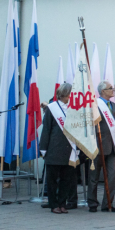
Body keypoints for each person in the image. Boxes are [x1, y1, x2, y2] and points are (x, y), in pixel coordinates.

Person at [41, 82, 78, 214]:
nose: (71, 96)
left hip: (70, 148)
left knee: (66, 179)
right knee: (52, 180)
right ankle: (53, 204)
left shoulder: (74, 108)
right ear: (64, 94)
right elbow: (46, 129)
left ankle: (63, 203)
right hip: (54, 148)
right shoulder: (52, 108)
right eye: (70, 94)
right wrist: (43, 149)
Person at [88, 81, 115, 212]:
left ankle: (108, 203)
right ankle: (92, 203)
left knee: (112, 176)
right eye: (110, 88)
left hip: (113, 146)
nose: (113, 90)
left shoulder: (114, 105)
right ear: (102, 91)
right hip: (98, 145)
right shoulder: (95, 104)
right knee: (94, 176)